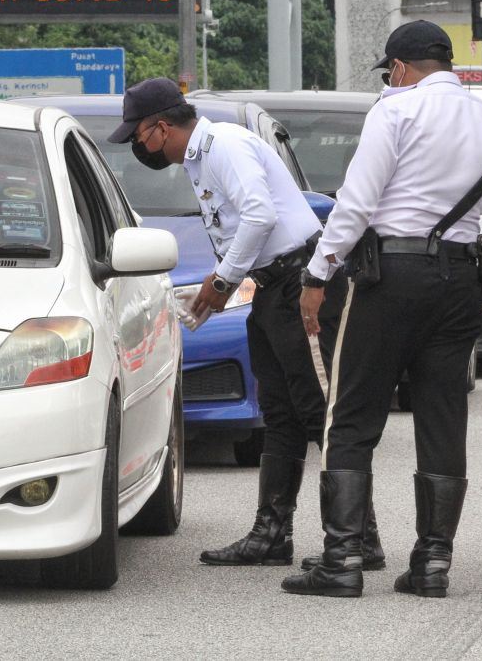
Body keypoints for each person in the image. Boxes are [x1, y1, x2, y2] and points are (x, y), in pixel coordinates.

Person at [281, 21, 482, 599]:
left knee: (350, 414)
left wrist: (318, 271)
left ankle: (342, 560)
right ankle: (431, 566)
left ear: (398, 69)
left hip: (388, 277)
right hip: (459, 284)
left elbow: (355, 203)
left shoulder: (394, 112)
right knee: (443, 418)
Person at [107, 77, 384, 572]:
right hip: (272, 289)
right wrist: (229, 281)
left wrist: (221, 282)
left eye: (138, 137)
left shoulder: (225, 146)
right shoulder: (200, 156)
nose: (137, 147)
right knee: (279, 412)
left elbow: (258, 217)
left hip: (301, 289)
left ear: (162, 126)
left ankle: (358, 538)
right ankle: (272, 534)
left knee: (322, 411)